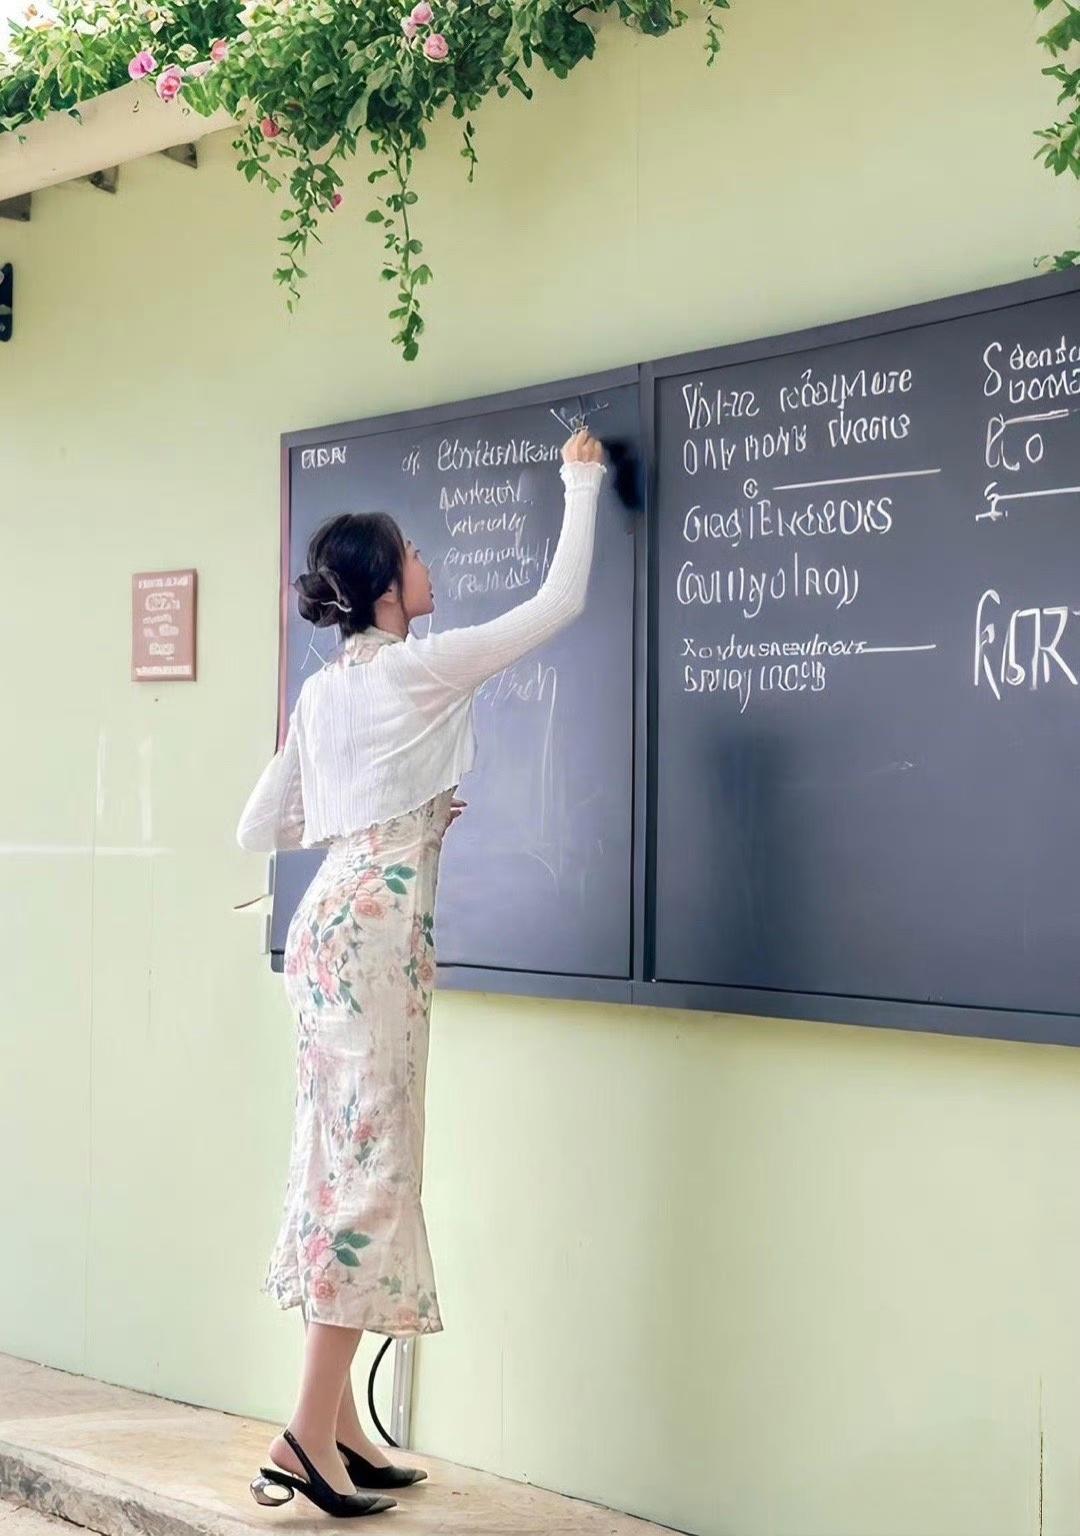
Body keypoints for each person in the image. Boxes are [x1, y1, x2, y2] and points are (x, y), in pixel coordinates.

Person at [236, 427, 606, 1517]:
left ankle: (344, 1426)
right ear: (389, 592)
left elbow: (266, 819)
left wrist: (390, 812)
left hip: (327, 922)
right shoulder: (422, 667)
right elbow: (559, 604)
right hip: (378, 932)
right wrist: (580, 480)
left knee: (332, 1160)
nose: (429, 568)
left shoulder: (325, 692)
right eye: (415, 556)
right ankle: (304, 1436)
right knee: (371, 1175)